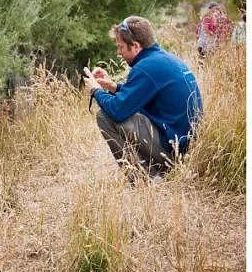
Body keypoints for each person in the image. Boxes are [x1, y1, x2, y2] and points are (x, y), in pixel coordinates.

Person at [85, 16, 203, 180]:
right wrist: (112, 86)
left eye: (121, 47)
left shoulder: (145, 68)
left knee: (104, 116)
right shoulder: (164, 60)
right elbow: (141, 95)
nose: (119, 52)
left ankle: (145, 178)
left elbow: (117, 111)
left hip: (173, 150)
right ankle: (155, 170)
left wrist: (96, 91)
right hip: (188, 147)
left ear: (135, 46)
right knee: (124, 111)